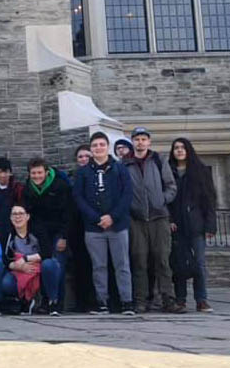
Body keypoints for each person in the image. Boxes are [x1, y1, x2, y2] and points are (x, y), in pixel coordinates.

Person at [73, 132, 135, 315]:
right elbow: (78, 197)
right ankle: (102, 302)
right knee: (98, 266)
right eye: (94, 145)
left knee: (122, 265)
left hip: (117, 225)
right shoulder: (84, 172)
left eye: (101, 144)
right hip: (94, 227)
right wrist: (95, 217)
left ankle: (127, 302)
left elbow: (127, 195)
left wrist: (112, 217)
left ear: (107, 147)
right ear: (91, 149)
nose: (98, 148)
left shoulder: (120, 169)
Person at [123, 127, 182, 314]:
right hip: (136, 219)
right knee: (139, 259)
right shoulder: (124, 163)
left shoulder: (159, 160)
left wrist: (161, 199)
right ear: (132, 142)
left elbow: (171, 186)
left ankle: (168, 299)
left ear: (149, 142)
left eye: (143, 139)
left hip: (159, 217)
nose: (140, 142)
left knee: (162, 260)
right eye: (137, 139)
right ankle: (141, 300)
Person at [168, 138, 217, 313]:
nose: (179, 151)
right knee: (179, 263)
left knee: (199, 263)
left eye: (182, 147)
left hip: (196, 224)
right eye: (176, 148)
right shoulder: (169, 171)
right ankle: (180, 299)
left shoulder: (201, 171)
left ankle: (201, 299)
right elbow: (166, 200)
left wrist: (211, 225)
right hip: (177, 226)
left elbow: (209, 199)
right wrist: (169, 219)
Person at [23, 158, 72, 312]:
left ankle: (58, 302)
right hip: (40, 235)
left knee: (59, 265)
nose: (37, 176)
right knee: (45, 265)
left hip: (59, 232)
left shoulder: (60, 186)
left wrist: (64, 236)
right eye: (33, 173)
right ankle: (46, 300)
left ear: (46, 171)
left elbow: (69, 213)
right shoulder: (27, 189)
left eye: (39, 172)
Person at [1, 205, 61, 315]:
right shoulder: (8, 234)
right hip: (19, 269)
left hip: (39, 266)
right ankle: (24, 300)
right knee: (6, 283)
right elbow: (5, 259)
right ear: (10, 218)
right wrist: (18, 266)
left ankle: (52, 301)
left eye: (21, 214)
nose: (18, 217)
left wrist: (25, 258)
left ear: (27, 216)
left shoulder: (37, 230)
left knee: (50, 264)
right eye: (14, 214)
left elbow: (47, 252)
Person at [67, 143, 97, 312]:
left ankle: (98, 300)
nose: (84, 159)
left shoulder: (98, 175)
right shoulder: (71, 177)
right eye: (80, 157)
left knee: (98, 264)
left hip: (95, 225)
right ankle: (82, 302)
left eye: (87, 156)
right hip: (77, 227)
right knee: (80, 265)